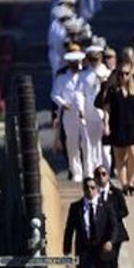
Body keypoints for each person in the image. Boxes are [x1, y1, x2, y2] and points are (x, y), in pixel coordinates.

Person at [62, 177, 119, 268]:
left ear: (97, 189)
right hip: (85, 251)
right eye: (87, 188)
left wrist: (110, 241)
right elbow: (69, 230)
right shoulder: (76, 208)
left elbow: (114, 227)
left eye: (93, 187)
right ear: (83, 189)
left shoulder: (106, 206)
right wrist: (66, 251)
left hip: (102, 251)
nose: (90, 190)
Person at [102, 55, 134, 193]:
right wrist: (106, 124)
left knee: (133, 153)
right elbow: (107, 109)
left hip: (132, 125)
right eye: (120, 74)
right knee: (119, 157)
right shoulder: (113, 90)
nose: (123, 76)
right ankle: (124, 184)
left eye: (126, 73)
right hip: (117, 125)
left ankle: (131, 179)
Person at [95, 166, 129, 268]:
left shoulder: (116, 193)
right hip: (99, 234)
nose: (101, 177)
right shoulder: (93, 193)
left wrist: (111, 218)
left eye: (104, 174)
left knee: (112, 263)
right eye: (98, 175)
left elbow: (124, 211)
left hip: (115, 234)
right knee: (101, 264)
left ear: (108, 176)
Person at [53, 50, 86, 181]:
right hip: (69, 112)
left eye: (77, 63)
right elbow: (54, 94)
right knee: (72, 142)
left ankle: (88, 169)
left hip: (85, 113)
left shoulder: (84, 76)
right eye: (72, 64)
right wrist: (63, 103)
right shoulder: (62, 78)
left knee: (86, 142)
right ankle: (76, 171)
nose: (75, 66)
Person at [74, 47, 107, 174]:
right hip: (88, 113)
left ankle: (103, 170)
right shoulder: (83, 75)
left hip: (103, 113)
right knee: (87, 144)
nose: (94, 62)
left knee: (102, 145)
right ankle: (89, 172)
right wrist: (80, 108)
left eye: (96, 59)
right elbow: (78, 93)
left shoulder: (106, 72)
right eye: (91, 59)